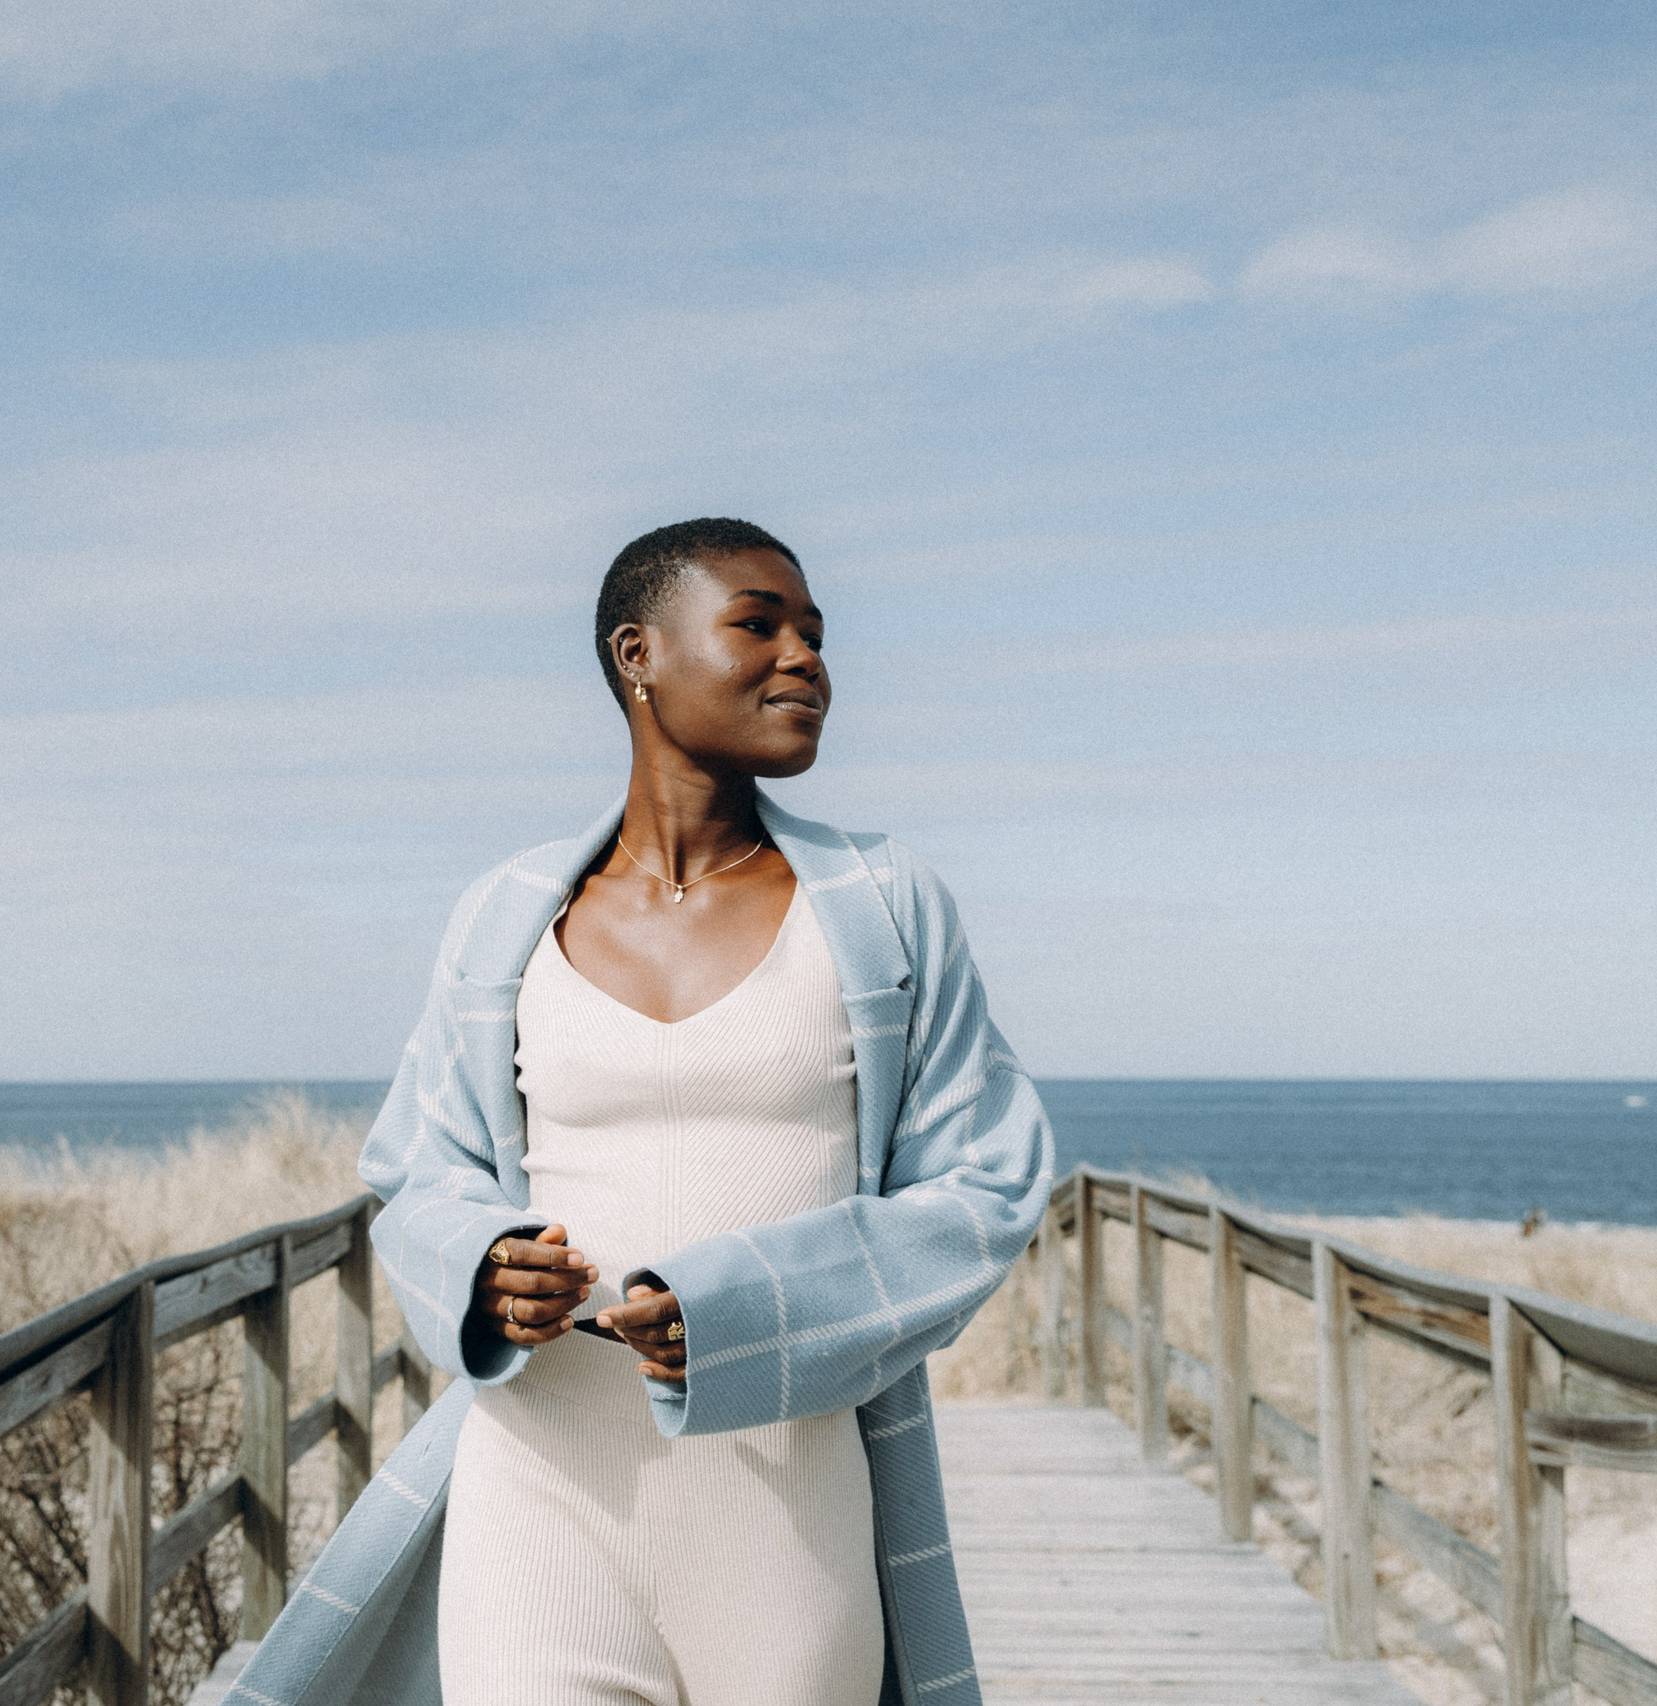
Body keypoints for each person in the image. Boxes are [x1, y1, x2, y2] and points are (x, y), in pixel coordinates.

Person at [232, 518, 1055, 1706]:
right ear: (640, 653)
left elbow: (985, 1184)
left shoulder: (885, 904)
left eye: (816, 634)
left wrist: (743, 1312)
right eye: (759, 624)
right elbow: (420, 1168)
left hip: (786, 1506)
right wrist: (485, 1265)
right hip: (539, 1493)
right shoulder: (503, 914)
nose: (805, 658)